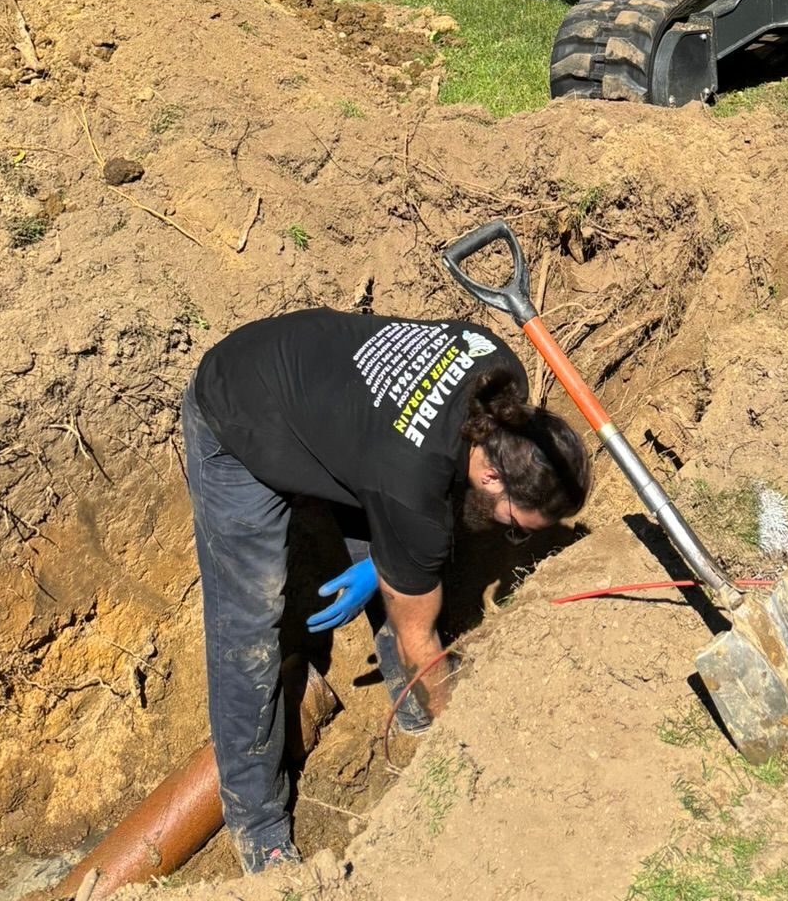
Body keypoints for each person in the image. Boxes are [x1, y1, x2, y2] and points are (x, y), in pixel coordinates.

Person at [181, 307, 592, 873]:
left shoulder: (500, 371)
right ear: (493, 476)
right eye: (517, 526)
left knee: (408, 552)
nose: (510, 536)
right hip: (238, 412)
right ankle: (258, 826)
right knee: (248, 631)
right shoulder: (408, 483)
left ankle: (409, 709)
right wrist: (463, 742)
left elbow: (417, 481)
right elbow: (417, 630)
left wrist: (388, 561)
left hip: (327, 393)